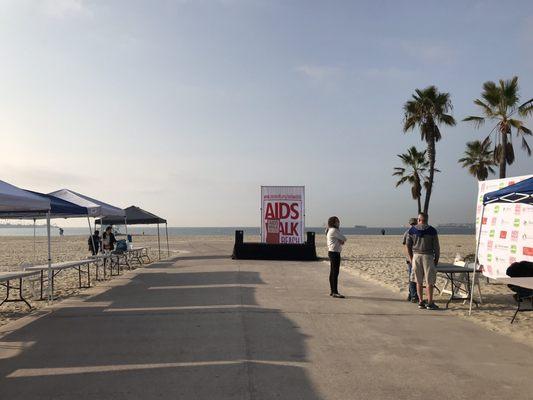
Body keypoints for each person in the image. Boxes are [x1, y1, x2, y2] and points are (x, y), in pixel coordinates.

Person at [406, 213, 440, 310]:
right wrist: (436, 259)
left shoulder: (412, 230)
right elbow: (436, 247)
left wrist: (411, 258)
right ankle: (430, 302)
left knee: (418, 280)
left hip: (416, 256)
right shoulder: (432, 230)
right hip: (428, 256)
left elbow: (408, 245)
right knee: (430, 281)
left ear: (419, 219)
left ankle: (420, 301)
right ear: (427, 219)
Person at [326, 216, 347, 298]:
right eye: (337, 221)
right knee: (335, 273)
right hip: (334, 253)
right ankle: (335, 291)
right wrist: (340, 240)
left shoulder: (329, 230)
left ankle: (332, 291)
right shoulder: (334, 230)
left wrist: (340, 240)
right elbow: (344, 238)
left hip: (332, 252)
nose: (339, 223)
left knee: (332, 272)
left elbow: (341, 241)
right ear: (333, 223)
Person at [403, 218, 419, 303]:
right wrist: (409, 258)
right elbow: (405, 246)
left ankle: (411, 294)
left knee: (412, 276)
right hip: (412, 257)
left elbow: (404, 245)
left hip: (411, 258)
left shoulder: (407, 232)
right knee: (413, 277)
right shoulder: (409, 232)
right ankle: (413, 295)